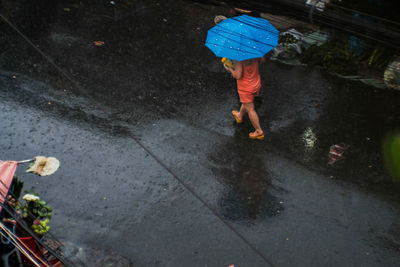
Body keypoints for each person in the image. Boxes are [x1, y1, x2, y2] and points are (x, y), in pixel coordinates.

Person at [226, 57, 266, 140]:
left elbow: (237, 75)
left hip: (246, 88)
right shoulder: (254, 52)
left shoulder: (239, 59)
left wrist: (229, 68)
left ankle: (259, 131)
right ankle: (239, 115)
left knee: (250, 109)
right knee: (247, 102)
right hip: (256, 84)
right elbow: (262, 60)